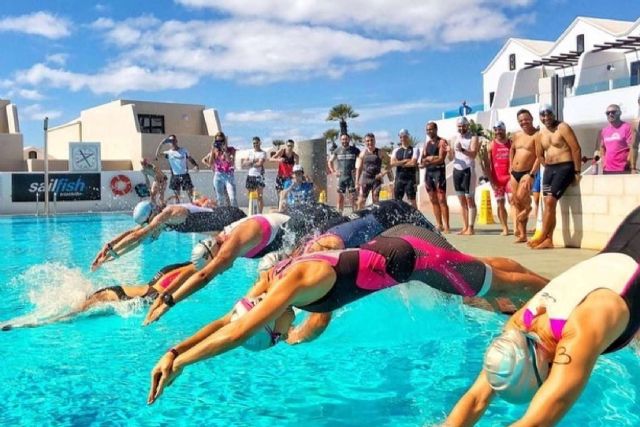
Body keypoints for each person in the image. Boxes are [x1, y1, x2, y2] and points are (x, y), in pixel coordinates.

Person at [146, 223, 549, 404]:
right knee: (492, 275)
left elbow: (235, 335)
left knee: (502, 286)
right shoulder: (269, 285)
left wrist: (185, 366)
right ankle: (546, 285)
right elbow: (228, 322)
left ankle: (559, 294)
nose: (285, 336)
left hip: (418, 258)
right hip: (400, 243)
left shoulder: (296, 285)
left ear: (269, 323)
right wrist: (174, 352)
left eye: (276, 336)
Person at [445, 206, 640, 426]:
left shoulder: (581, 331)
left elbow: (534, 423)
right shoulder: (518, 328)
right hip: (626, 238)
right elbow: (476, 399)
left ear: (545, 369)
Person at [1, 262, 195, 331]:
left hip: (117, 293)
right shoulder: (183, 272)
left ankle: (33, 322)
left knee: (76, 313)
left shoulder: (173, 271)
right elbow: (161, 293)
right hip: (114, 296)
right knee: (70, 315)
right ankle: (26, 323)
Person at [91, 201, 246, 270]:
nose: (148, 226)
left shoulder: (168, 214)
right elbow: (135, 233)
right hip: (222, 225)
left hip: (230, 218)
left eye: (148, 223)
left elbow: (138, 236)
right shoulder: (163, 218)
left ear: (152, 215)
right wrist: (110, 247)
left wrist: (112, 253)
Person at [529, 104, 582, 250]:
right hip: (549, 170)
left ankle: (542, 234)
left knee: (551, 201)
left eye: (548, 114)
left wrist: (577, 172)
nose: (546, 118)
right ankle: (548, 240)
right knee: (547, 203)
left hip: (565, 167)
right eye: (543, 115)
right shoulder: (541, 133)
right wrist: (546, 165)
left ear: (553, 114)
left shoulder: (563, 127)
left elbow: (576, 149)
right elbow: (539, 154)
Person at [509, 109, 540, 242]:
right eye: (521, 120)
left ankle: (528, 209)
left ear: (532, 118)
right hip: (514, 173)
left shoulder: (537, 135)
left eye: (526, 119)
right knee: (516, 201)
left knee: (522, 199)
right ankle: (523, 235)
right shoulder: (517, 135)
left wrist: (532, 174)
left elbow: (539, 156)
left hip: (527, 172)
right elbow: (512, 150)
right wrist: (510, 166)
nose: (524, 122)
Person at [449, 117, 478, 235]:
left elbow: (474, 154)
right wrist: (448, 151)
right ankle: (465, 226)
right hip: (457, 170)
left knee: (469, 199)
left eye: (463, 126)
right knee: (461, 200)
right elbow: (451, 158)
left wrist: (462, 150)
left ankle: (471, 227)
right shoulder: (455, 138)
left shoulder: (473, 137)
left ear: (467, 126)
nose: (461, 128)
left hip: (468, 170)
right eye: (459, 126)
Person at [420, 121, 449, 233]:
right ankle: (439, 224)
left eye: (431, 129)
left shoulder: (442, 142)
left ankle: (447, 225)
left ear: (436, 129)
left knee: (442, 199)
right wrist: (428, 160)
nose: (429, 131)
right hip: (429, 173)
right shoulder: (426, 144)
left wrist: (429, 159)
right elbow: (422, 159)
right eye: (427, 129)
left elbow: (441, 158)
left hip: (439, 173)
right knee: (433, 199)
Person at [157, 135, 199, 203]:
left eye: (173, 140)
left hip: (185, 175)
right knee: (177, 197)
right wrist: (161, 143)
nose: (172, 142)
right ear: (169, 143)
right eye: (170, 141)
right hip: (175, 176)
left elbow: (190, 159)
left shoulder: (184, 150)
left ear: (176, 141)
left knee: (191, 194)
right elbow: (158, 155)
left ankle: (194, 207)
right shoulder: (168, 153)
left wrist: (196, 165)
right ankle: (178, 209)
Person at [487, 121, 512, 235]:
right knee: (500, 203)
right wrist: (491, 180)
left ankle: (517, 226)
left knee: (513, 202)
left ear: (504, 130)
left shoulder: (511, 143)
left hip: (509, 178)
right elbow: (487, 164)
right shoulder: (491, 144)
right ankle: (505, 227)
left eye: (500, 130)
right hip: (497, 179)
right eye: (496, 130)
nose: (498, 132)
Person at [354, 133, 391, 210]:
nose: (370, 142)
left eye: (371, 140)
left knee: (375, 200)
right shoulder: (363, 153)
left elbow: (390, 162)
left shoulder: (380, 152)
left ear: (375, 141)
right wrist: (356, 181)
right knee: (361, 201)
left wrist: (383, 173)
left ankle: (376, 218)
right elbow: (359, 168)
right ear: (365, 142)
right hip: (366, 179)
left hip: (376, 180)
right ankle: (360, 217)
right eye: (367, 141)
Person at [202, 131, 237, 207]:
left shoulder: (231, 150)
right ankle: (221, 215)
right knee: (220, 198)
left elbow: (230, 163)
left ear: (225, 141)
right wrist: (212, 150)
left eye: (221, 141)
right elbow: (210, 162)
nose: (220, 143)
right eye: (218, 141)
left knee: (232, 197)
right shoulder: (215, 151)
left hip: (229, 175)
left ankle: (235, 213)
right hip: (218, 175)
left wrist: (225, 151)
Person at [598, 104, 636, 175]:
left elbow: (632, 147)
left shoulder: (627, 127)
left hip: (623, 169)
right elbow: (602, 147)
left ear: (619, 113)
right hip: (607, 169)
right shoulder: (604, 130)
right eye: (608, 113)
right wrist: (603, 162)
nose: (610, 114)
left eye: (613, 112)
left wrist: (628, 162)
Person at [328, 133, 360, 213]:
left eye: (346, 139)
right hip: (341, 178)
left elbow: (361, 160)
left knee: (353, 198)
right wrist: (334, 172)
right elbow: (330, 161)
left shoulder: (355, 150)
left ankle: (355, 215)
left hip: (351, 178)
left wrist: (357, 169)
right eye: (342, 139)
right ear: (340, 140)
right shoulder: (337, 150)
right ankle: (339, 215)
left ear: (349, 140)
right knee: (340, 198)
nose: (344, 141)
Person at [390, 128, 419, 209]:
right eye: (401, 137)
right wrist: (406, 161)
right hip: (399, 179)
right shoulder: (396, 150)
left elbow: (413, 163)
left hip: (410, 180)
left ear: (408, 137)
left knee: (412, 201)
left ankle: (415, 220)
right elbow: (392, 163)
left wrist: (399, 163)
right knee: (397, 201)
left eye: (405, 136)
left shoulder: (414, 150)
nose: (403, 138)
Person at [242, 136, 267, 213]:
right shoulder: (250, 152)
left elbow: (259, 164)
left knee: (260, 196)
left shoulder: (263, 153)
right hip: (250, 176)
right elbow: (244, 163)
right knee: (250, 196)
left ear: (260, 143)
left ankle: (260, 213)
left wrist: (250, 162)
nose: (255, 145)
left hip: (259, 176)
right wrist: (254, 160)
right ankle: (251, 212)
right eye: (254, 143)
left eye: (256, 143)